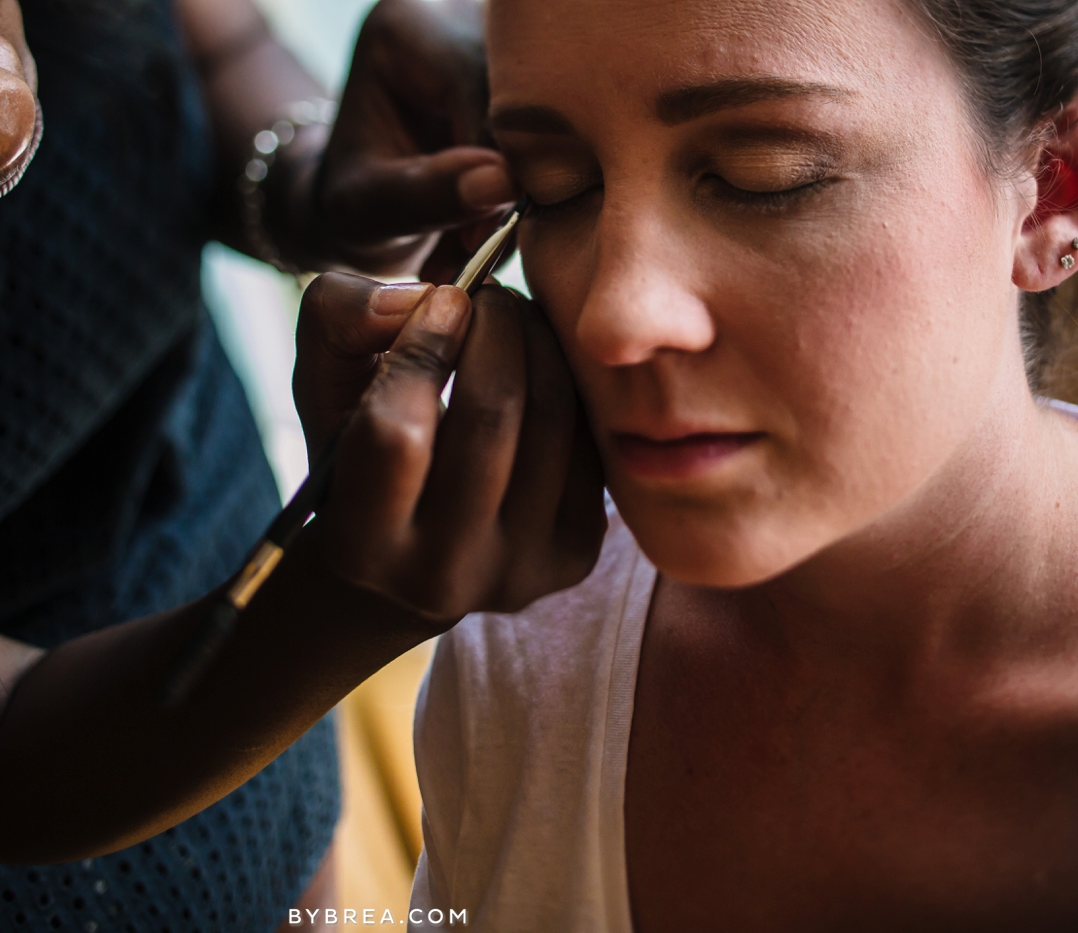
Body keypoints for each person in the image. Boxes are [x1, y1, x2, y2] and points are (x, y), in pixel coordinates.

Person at [0, 0, 607, 931]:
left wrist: (306, 180)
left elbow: (221, 46)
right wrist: (339, 608)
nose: (1, 120)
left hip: (222, 576)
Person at [409, 0, 1078, 929]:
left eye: (762, 178)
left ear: (1051, 189)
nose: (615, 316)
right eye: (554, 189)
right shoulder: (523, 664)